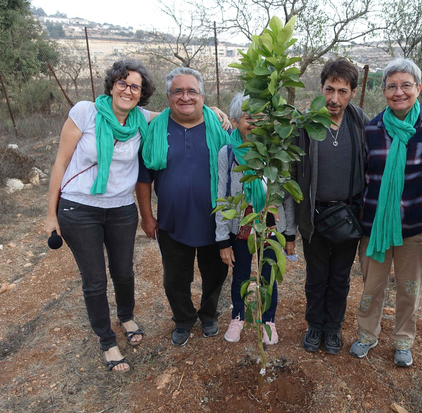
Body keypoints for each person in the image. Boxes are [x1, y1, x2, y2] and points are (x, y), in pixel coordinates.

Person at [44, 60, 155, 373]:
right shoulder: (85, 112)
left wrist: (212, 110)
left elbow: (178, 113)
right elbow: (60, 165)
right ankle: (107, 341)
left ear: (142, 93)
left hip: (121, 209)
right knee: (94, 281)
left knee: (123, 272)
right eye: (122, 82)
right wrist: (51, 214)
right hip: (79, 209)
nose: (128, 90)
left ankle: (126, 315)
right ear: (111, 85)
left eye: (135, 86)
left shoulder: (143, 119)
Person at [348, 58, 422, 367]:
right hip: (375, 225)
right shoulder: (371, 128)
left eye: (406, 85)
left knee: (409, 288)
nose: (399, 92)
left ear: (419, 88)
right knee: (371, 287)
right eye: (392, 86)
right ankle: (367, 334)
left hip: (416, 225)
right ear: (383, 90)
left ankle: (403, 340)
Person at [136, 67, 230, 348]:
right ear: (168, 96)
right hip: (172, 222)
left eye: (192, 91)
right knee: (175, 280)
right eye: (178, 91)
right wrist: (147, 216)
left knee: (215, 274)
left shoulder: (220, 127)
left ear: (202, 96)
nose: (185, 97)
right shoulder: (156, 129)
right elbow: (144, 178)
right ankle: (184, 319)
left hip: (215, 221)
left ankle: (209, 314)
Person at [293, 58, 370, 354]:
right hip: (314, 215)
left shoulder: (361, 121)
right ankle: (314, 325)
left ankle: (332, 328)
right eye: (329, 89)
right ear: (321, 88)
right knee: (316, 276)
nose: (334, 98)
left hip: (348, 216)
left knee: (339, 278)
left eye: (342, 91)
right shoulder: (305, 123)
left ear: (352, 92)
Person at [215, 93, 296, 344]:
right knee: (240, 274)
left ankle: (268, 320)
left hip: (270, 224)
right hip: (241, 225)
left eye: (262, 119)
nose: (255, 124)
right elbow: (221, 196)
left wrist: (290, 233)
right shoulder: (227, 154)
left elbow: (287, 195)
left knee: (268, 274)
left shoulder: (276, 152)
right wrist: (221, 240)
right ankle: (238, 316)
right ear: (235, 121)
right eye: (250, 117)